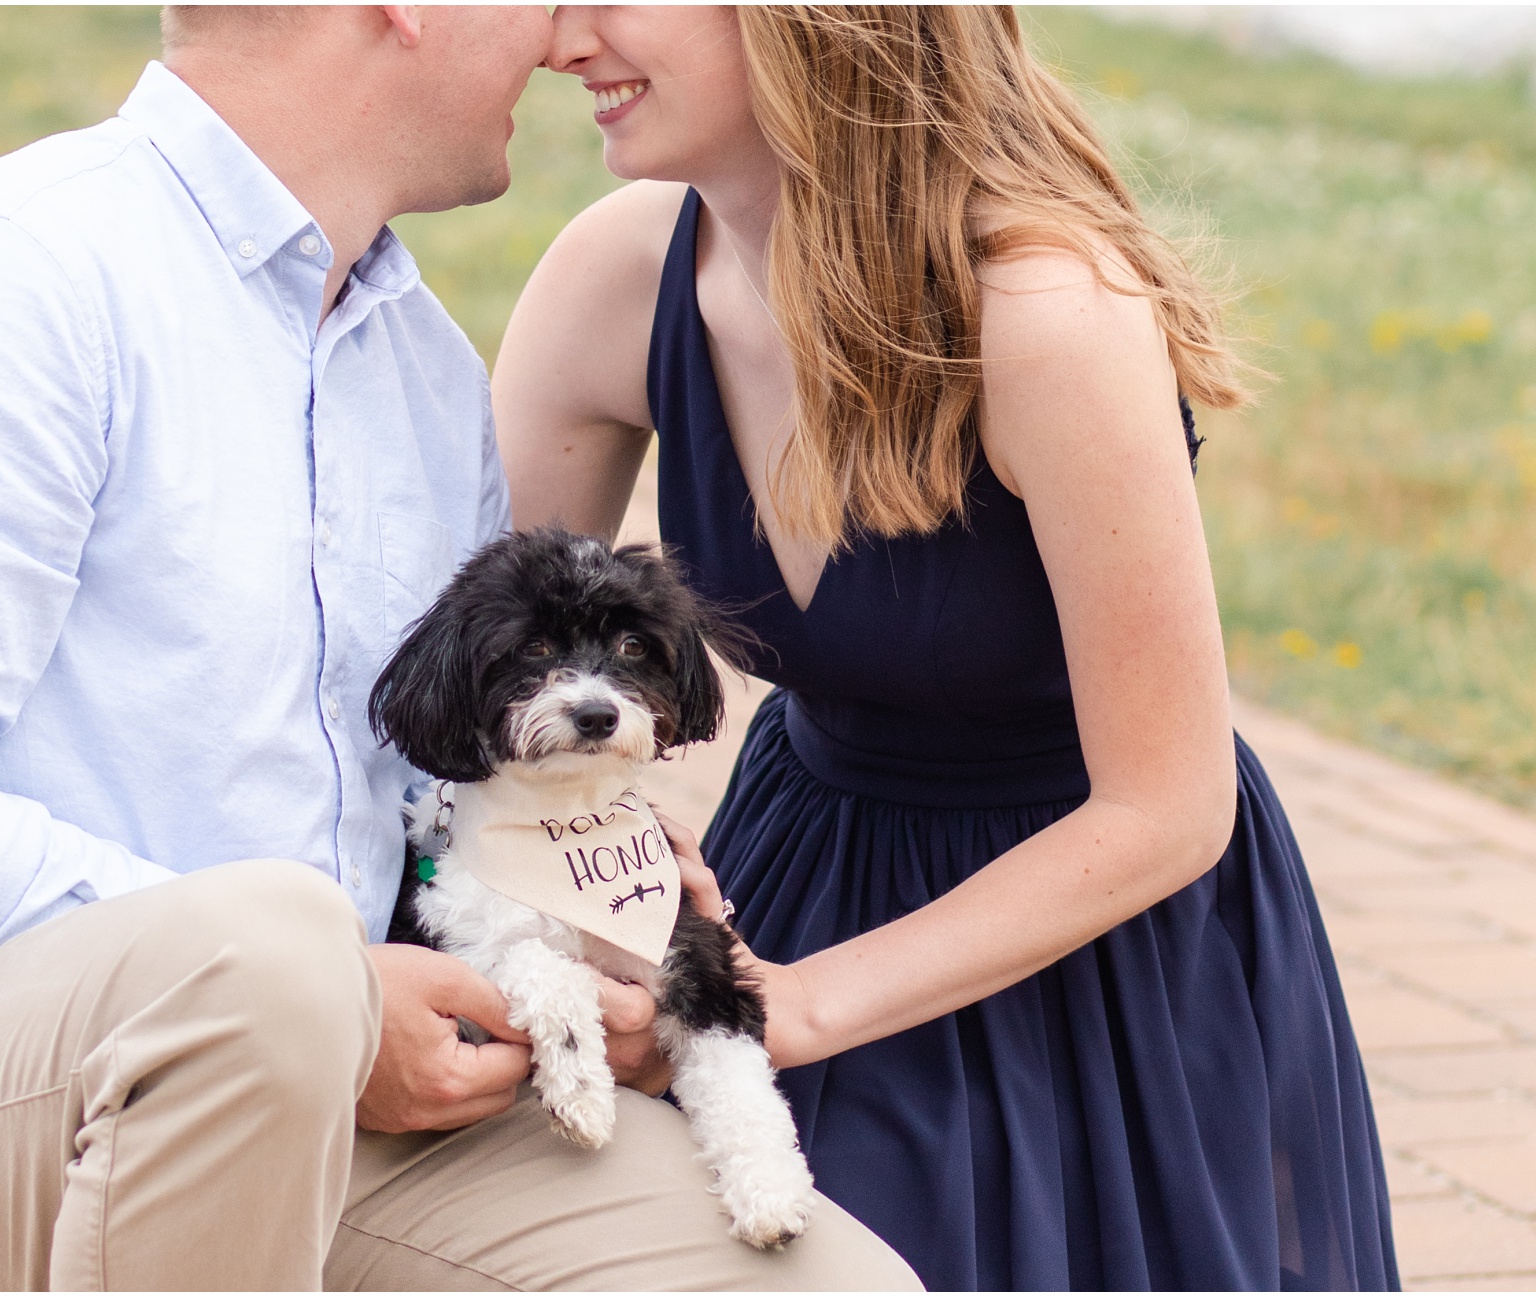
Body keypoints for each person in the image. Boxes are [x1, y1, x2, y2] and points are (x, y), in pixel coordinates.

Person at [0, 6, 921, 1289]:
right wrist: (323, 995)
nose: (564, 30)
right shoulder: (18, 270)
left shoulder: (426, 371)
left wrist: (587, 874)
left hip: (348, 1100)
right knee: (275, 953)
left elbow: (435, 774)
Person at [498, 6, 1399, 1290]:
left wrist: (795, 1004)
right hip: (798, 863)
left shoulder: (1048, 311)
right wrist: (598, 902)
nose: (561, 35)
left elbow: (1169, 805)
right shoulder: (619, 277)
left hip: (1090, 939)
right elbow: (477, 689)